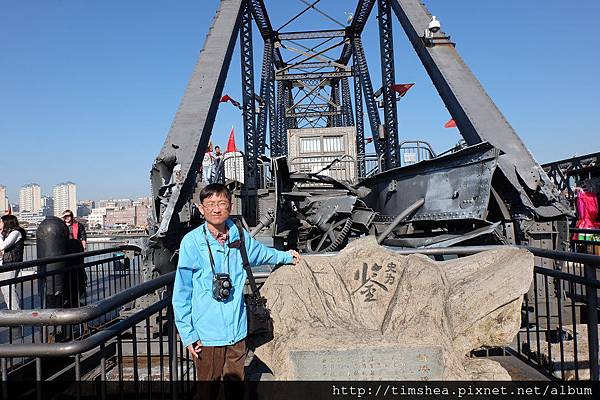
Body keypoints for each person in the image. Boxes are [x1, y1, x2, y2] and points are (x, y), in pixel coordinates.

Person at [172, 183, 300, 391]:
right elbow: (182, 292)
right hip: (207, 334)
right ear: (201, 209)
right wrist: (188, 334)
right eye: (210, 204)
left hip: (236, 331)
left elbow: (260, 253)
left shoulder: (238, 234)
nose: (216, 209)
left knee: (236, 387)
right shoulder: (192, 242)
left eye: (222, 203)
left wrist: (286, 256)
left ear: (230, 206)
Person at [62, 210, 87, 308]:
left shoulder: (78, 225)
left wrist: (83, 249)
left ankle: (81, 285)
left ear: (72, 216)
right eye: (65, 216)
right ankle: (68, 292)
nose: (66, 218)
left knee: (78, 269)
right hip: (66, 251)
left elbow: (83, 236)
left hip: (76, 249)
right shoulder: (62, 226)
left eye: (68, 216)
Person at [0, 215, 26, 310]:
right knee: (5, 289)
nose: (0, 224)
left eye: (1, 222)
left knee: (9, 289)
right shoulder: (7, 233)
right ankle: (11, 310)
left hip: (12, 263)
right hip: (6, 263)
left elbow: (2, 246)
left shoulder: (16, 233)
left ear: (7, 222)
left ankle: (16, 313)